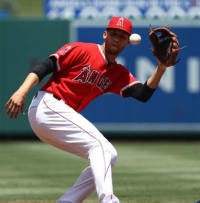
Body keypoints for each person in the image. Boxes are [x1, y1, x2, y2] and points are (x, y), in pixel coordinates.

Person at [4, 16, 180, 203]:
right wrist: (21, 91)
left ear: (128, 42)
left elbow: (143, 93)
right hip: (48, 105)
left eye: (121, 36)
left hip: (57, 116)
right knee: (101, 147)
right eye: (113, 33)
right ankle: (108, 200)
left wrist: (161, 67)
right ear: (105, 34)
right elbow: (45, 66)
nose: (116, 39)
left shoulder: (118, 73)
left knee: (108, 155)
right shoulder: (82, 49)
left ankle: (67, 201)